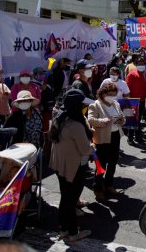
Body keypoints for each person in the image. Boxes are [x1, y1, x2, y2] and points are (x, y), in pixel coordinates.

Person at [49, 89, 95, 242]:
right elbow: (85, 149)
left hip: (61, 166)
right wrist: (93, 148)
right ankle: (74, 233)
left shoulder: (59, 119)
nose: (85, 107)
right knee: (70, 200)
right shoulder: (75, 125)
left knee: (65, 198)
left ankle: (64, 229)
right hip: (74, 167)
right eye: (82, 104)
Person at [88, 83, 126, 200]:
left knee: (113, 162)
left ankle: (108, 184)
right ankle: (97, 189)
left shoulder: (115, 104)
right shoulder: (95, 105)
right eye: (110, 95)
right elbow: (91, 120)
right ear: (103, 94)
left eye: (114, 95)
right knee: (101, 164)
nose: (112, 97)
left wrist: (121, 121)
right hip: (103, 137)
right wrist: (107, 120)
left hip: (115, 135)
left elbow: (122, 117)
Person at [125, 58, 146, 145]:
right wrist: (129, 100)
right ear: (136, 65)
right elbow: (127, 88)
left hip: (143, 100)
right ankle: (130, 138)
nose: (141, 65)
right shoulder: (132, 74)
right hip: (133, 101)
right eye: (139, 64)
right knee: (132, 119)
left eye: (142, 64)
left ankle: (138, 135)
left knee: (138, 120)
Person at [31, 67, 55, 132]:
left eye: (43, 73)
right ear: (34, 75)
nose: (42, 74)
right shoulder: (32, 85)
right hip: (39, 109)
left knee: (46, 128)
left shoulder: (45, 84)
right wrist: (40, 90)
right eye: (40, 73)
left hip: (47, 109)